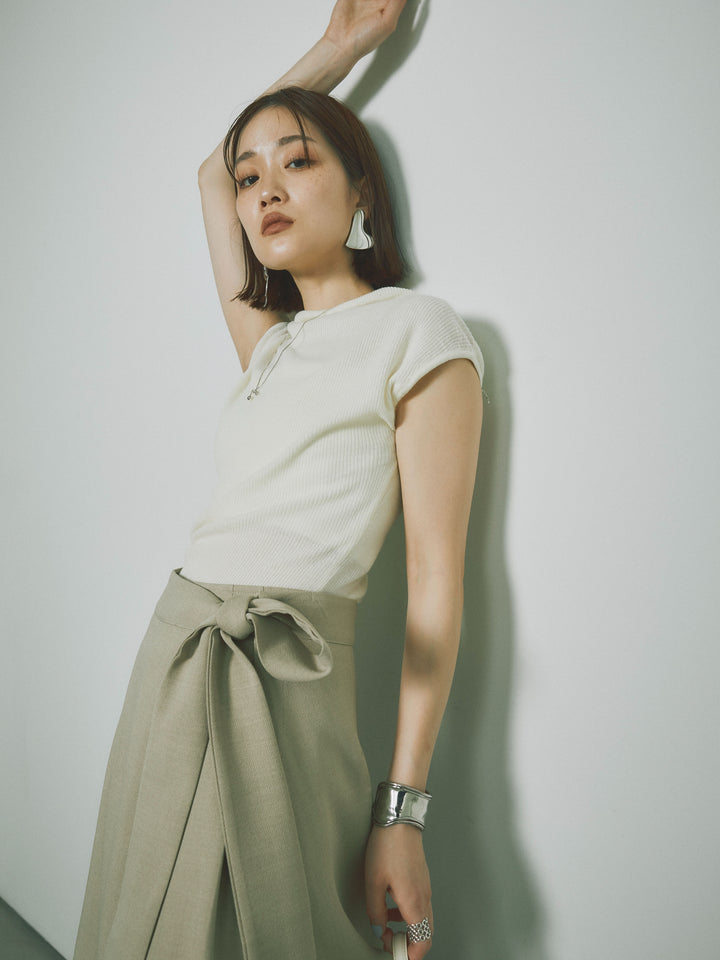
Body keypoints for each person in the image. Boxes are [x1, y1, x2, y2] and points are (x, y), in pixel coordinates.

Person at [72, 2, 485, 959]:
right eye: (253, 177)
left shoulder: (419, 330)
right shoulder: (270, 346)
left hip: (289, 675)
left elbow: (436, 582)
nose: (263, 190)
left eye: (298, 162)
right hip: (175, 654)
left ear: (360, 191)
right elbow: (209, 173)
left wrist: (403, 812)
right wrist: (338, 45)